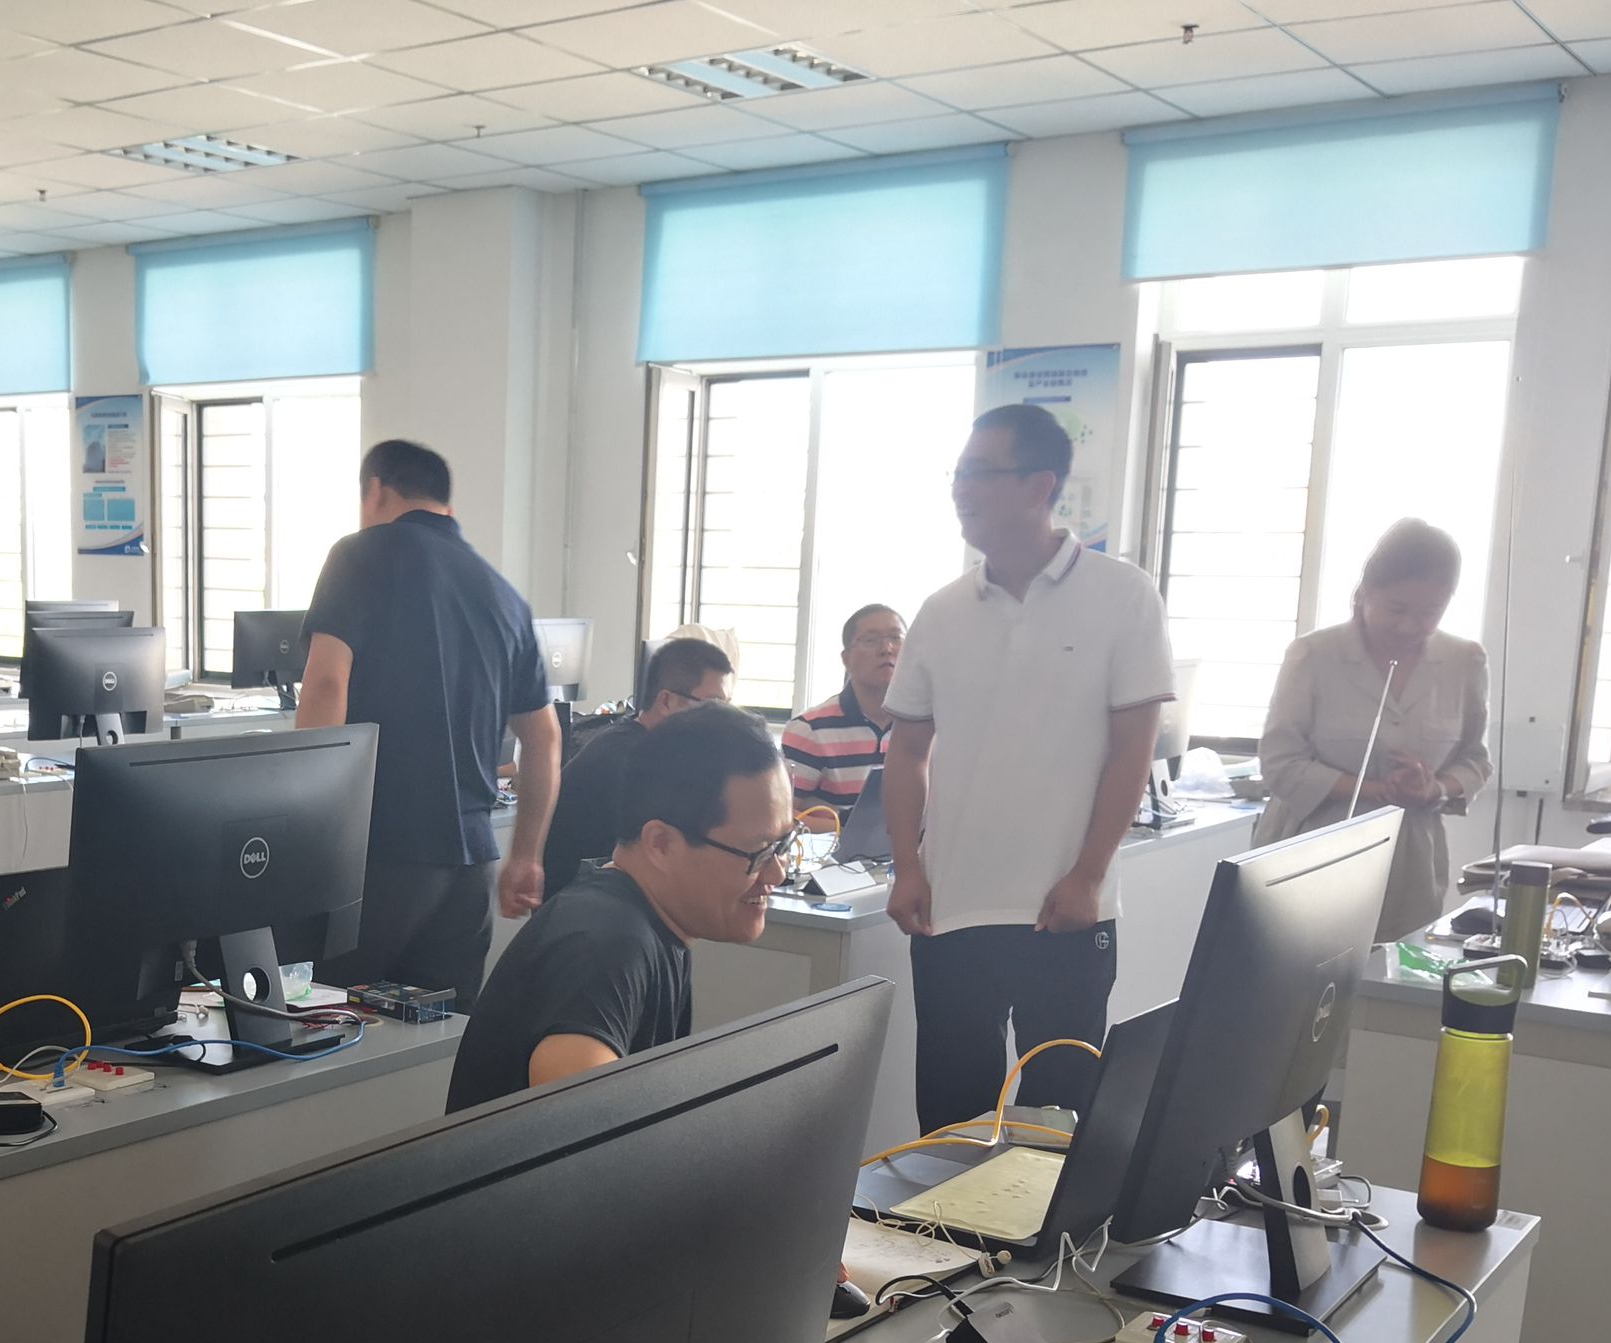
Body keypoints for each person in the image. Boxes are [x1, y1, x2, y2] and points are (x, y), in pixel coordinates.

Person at [883, 403, 1175, 1140]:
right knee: (949, 1126)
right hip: (950, 911)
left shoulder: (1123, 595)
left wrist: (1089, 875)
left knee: (1059, 1125)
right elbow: (907, 750)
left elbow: (1132, 751)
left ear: (1040, 485)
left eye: (980, 473)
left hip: (1065, 910)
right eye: (958, 473)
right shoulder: (941, 611)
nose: (961, 489)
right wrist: (907, 868)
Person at [297, 439, 560, 1007]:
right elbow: (544, 738)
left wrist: (307, 825)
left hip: (376, 856)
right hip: (470, 868)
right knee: (438, 1039)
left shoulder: (358, 555)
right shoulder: (504, 595)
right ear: (446, 503)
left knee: (326, 1023)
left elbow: (325, 685)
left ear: (375, 490)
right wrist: (526, 856)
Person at [447, 702, 790, 1113]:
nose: (778, 873)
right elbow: (591, 1124)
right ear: (661, 844)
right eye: (758, 852)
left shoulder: (650, 922)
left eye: (783, 844)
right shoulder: (604, 947)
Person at [1256, 518, 1491, 942]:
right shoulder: (1313, 655)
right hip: (1309, 849)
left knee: (1393, 975)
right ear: (1365, 592)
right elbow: (1279, 763)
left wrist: (1434, 788)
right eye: (1396, 609)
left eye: (1430, 612)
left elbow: (1475, 760)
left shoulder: (1464, 662)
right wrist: (1375, 790)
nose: (1409, 625)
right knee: (1300, 970)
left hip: (1410, 863)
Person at [540, 631, 734, 896]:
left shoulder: (647, 744)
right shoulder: (629, 760)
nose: (721, 719)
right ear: (667, 701)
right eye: (713, 705)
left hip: (609, 894)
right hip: (585, 904)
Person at [783, 604, 904, 816]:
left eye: (896, 638)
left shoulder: (927, 724)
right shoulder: (810, 729)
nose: (887, 649)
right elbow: (783, 816)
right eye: (871, 640)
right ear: (846, 659)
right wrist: (844, 822)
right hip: (836, 838)